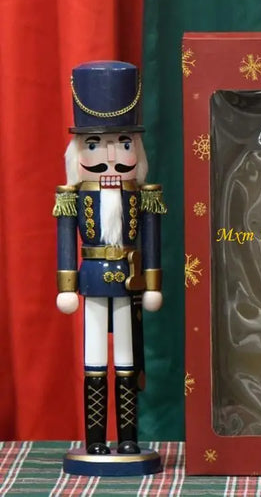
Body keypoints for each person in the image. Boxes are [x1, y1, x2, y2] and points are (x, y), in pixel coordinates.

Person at [53, 61, 166, 455]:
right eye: (94, 144)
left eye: (123, 142)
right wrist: (66, 284)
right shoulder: (73, 197)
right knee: (95, 359)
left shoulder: (143, 194)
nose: (111, 155)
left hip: (129, 280)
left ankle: (129, 437)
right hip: (93, 279)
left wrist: (152, 283)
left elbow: (152, 238)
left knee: (127, 359)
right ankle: (97, 441)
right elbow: (65, 239)